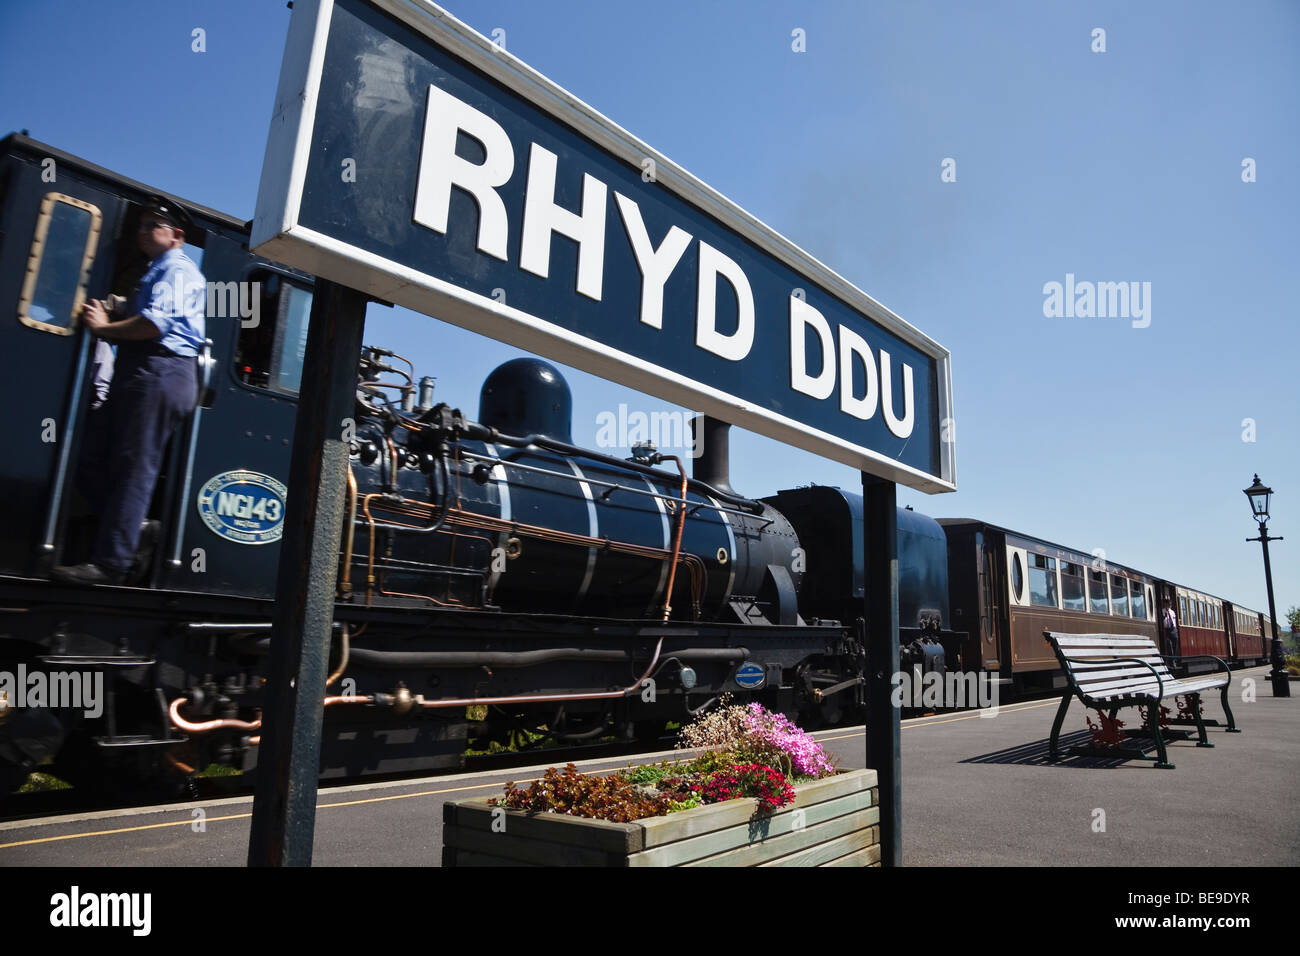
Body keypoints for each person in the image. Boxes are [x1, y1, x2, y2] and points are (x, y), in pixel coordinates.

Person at [51, 198, 205, 586]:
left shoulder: (177, 269)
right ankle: (136, 530)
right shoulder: (159, 269)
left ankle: (112, 563)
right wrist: (117, 305)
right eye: (140, 225)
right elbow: (144, 309)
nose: (142, 231)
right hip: (143, 370)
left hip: (161, 368)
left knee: (134, 468)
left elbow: (153, 325)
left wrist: (103, 329)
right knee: (90, 453)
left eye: (152, 225)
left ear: (177, 235)